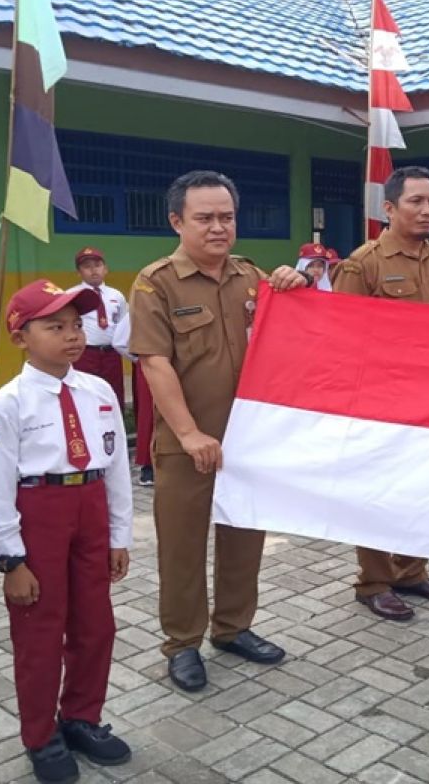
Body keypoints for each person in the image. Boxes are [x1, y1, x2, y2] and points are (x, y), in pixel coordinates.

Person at [130, 170, 311, 692]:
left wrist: (296, 288)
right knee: (182, 547)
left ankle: (234, 627)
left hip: (247, 442)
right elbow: (154, 364)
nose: (217, 228)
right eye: (204, 218)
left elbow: (290, 336)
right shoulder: (155, 282)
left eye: (226, 217)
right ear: (177, 221)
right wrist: (188, 434)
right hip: (187, 443)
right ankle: (182, 643)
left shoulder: (252, 278)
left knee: (243, 538)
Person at [0, 279, 134, 784]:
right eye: (55, 327)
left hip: (89, 506)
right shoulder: (6, 403)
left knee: (96, 625)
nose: (72, 336)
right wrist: (11, 559)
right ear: (21, 337)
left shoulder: (99, 389)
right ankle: (40, 734)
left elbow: (114, 466)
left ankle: (82, 717)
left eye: (75, 326)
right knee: (40, 632)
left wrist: (119, 535)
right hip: (38, 510)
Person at [331, 166, 429, 621]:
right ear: (389, 208)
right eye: (416, 201)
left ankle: (412, 570)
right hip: (381, 403)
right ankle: (373, 581)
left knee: (424, 489)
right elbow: (343, 338)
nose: (427, 210)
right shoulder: (363, 263)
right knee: (376, 493)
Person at [69, 247, 128, 409]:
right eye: (87, 266)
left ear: (105, 269)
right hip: (85, 354)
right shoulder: (71, 296)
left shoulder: (116, 296)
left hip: (112, 354)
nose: (93, 270)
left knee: (113, 396)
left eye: (97, 265)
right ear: (78, 272)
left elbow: (123, 325)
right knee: (85, 397)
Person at [111, 310, 153, 487]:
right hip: (152, 364)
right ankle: (148, 466)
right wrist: (139, 361)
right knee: (149, 416)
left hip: (185, 365)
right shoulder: (141, 307)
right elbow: (119, 342)